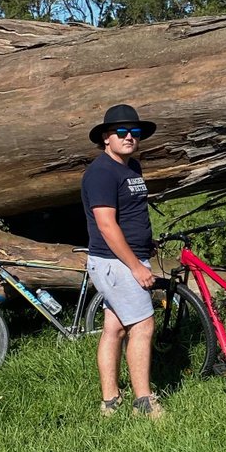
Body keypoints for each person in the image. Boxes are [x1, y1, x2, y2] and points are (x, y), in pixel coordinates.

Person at [81, 104, 163, 419]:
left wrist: (146, 244)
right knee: (142, 325)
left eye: (135, 132)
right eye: (122, 132)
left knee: (114, 328)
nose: (130, 137)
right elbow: (106, 225)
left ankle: (110, 402)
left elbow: (131, 214)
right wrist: (135, 266)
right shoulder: (101, 172)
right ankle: (144, 403)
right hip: (115, 263)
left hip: (127, 257)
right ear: (106, 138)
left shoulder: (132, 168)